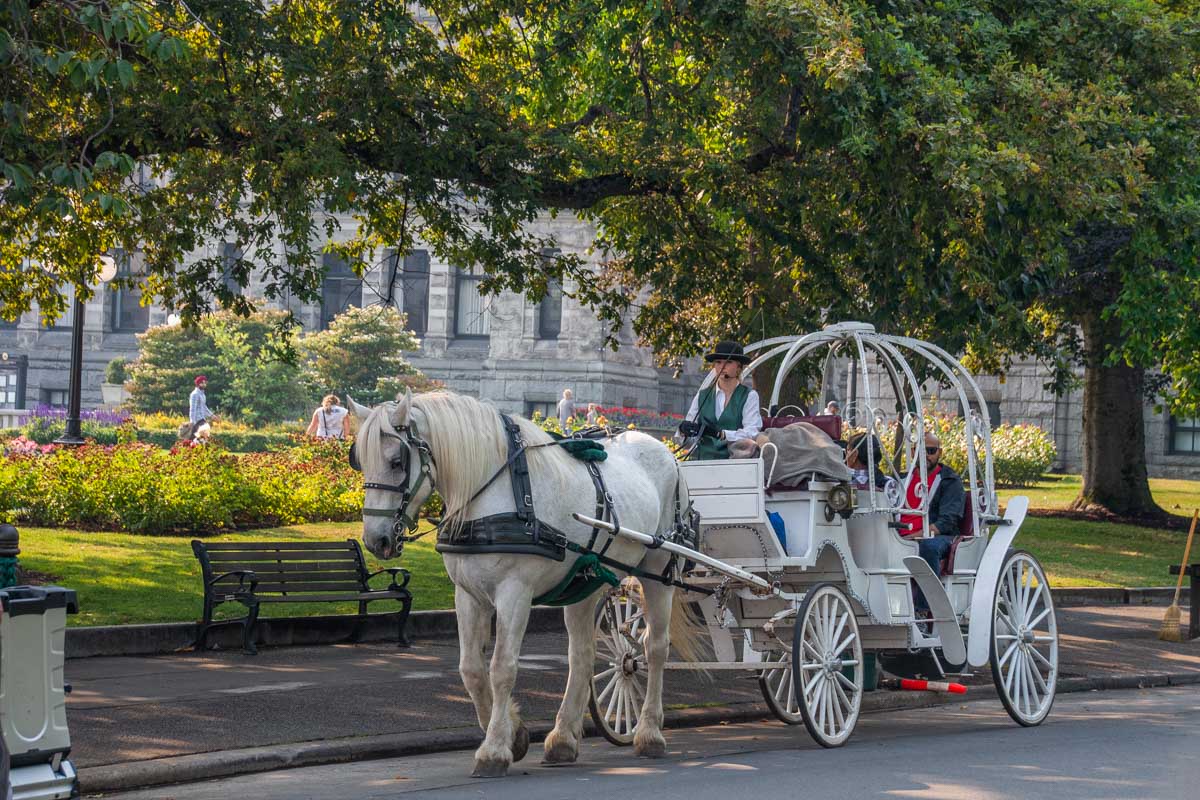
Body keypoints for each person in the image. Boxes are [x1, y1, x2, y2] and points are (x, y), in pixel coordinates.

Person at [677, 340, 763, 460]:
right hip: (702, 463)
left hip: (735, 463)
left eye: (728, 362)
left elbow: (752, 433)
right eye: (718, 362)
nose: (722, 366)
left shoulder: (749, 396)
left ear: (739, 367)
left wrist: (721, 434)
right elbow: (687, 439)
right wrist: (683, 431)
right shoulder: (702, 395)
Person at [900, 432, 965, 581]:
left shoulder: (949, 481)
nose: (925, 456)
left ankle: (925, 603)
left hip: (938, 535)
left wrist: (913, 537)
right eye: (920, 451)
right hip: (900, 534)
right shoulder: (902, 480)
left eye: (931, 451)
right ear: (912, 452)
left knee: (928, 547)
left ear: (939, 452)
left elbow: (946, 523)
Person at [188, 375, 215, 440]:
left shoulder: (202, 394)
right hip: (197, 420)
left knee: (197, 439)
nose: (204, 384)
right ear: (198, 384)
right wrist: (192, 422)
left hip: (202, 418)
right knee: (203, 435)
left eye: (205, 383)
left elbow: (204, 407)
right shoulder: (195, 394)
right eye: (202, 383)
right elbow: (192, 409)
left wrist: (212, 416)